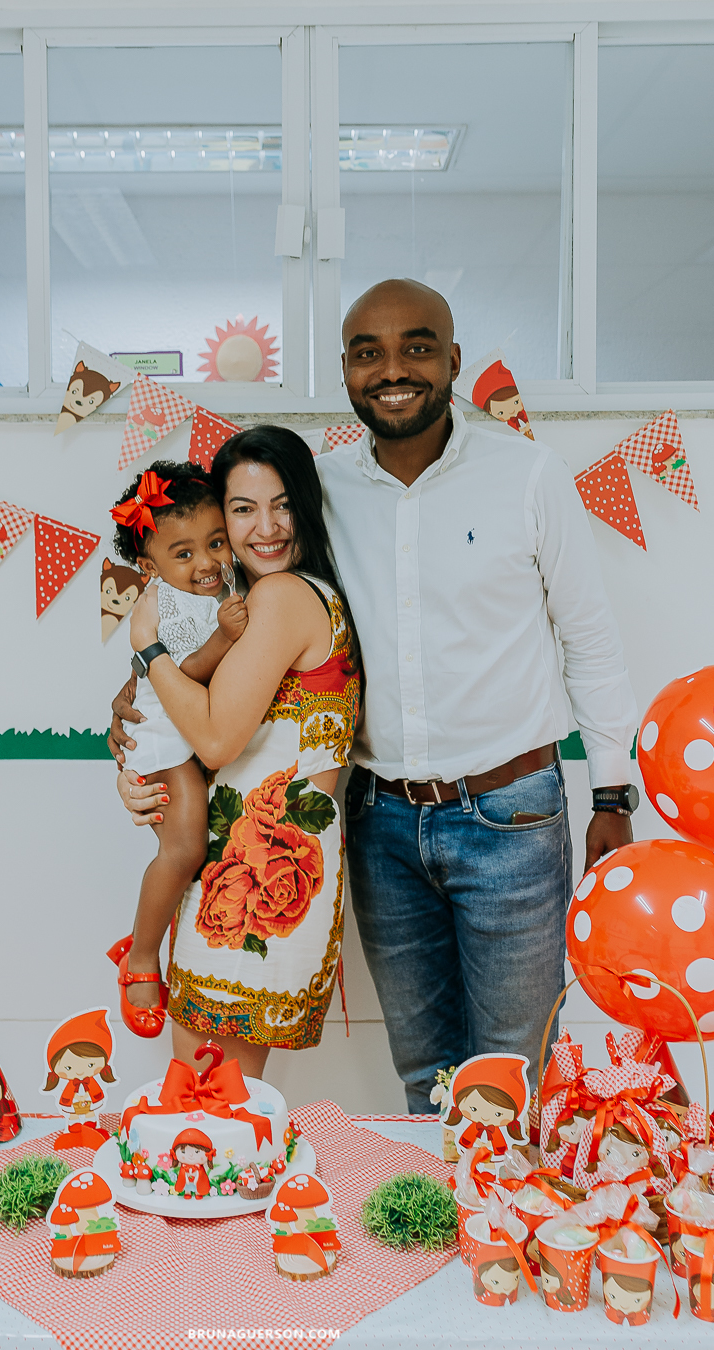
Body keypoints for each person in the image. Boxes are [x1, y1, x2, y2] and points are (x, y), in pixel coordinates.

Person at [112, 278, 638, 1111]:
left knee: (513, 1078)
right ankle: (440, 1236)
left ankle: (512, 1230)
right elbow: (221, 610)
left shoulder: (529, 476)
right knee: (425, 1078)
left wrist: (613, 795)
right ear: (348, 372)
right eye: (368, 353)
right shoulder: (315, 490)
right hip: (380, 819)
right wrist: (132, 717)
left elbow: (593, 645)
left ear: (453, 360)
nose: (393, 369)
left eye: (417, 347)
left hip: (512, 814)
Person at [116, 426, 360, 1077]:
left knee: (210, 1100)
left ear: (306, 504)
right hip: (250, 870)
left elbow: (217, 736)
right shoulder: (266, 602)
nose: (266, 528)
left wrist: (147, 651)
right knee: (222, 1102)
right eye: (244, 508)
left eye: (282, 504)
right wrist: (135, 759)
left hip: (256, 879)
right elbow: (203, 730)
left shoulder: (281, 597)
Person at [107, 461, 248, 1036]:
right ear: (150, 567)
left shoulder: (226, 584)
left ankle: (156, 935)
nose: (207, 562)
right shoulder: (163, 604)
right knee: (186, 843)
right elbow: (183, 670)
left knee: (197, 851)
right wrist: (225, 637)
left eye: (216, 543)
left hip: (194, 733)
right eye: (184, 553)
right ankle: (140, 955)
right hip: (167, 737)